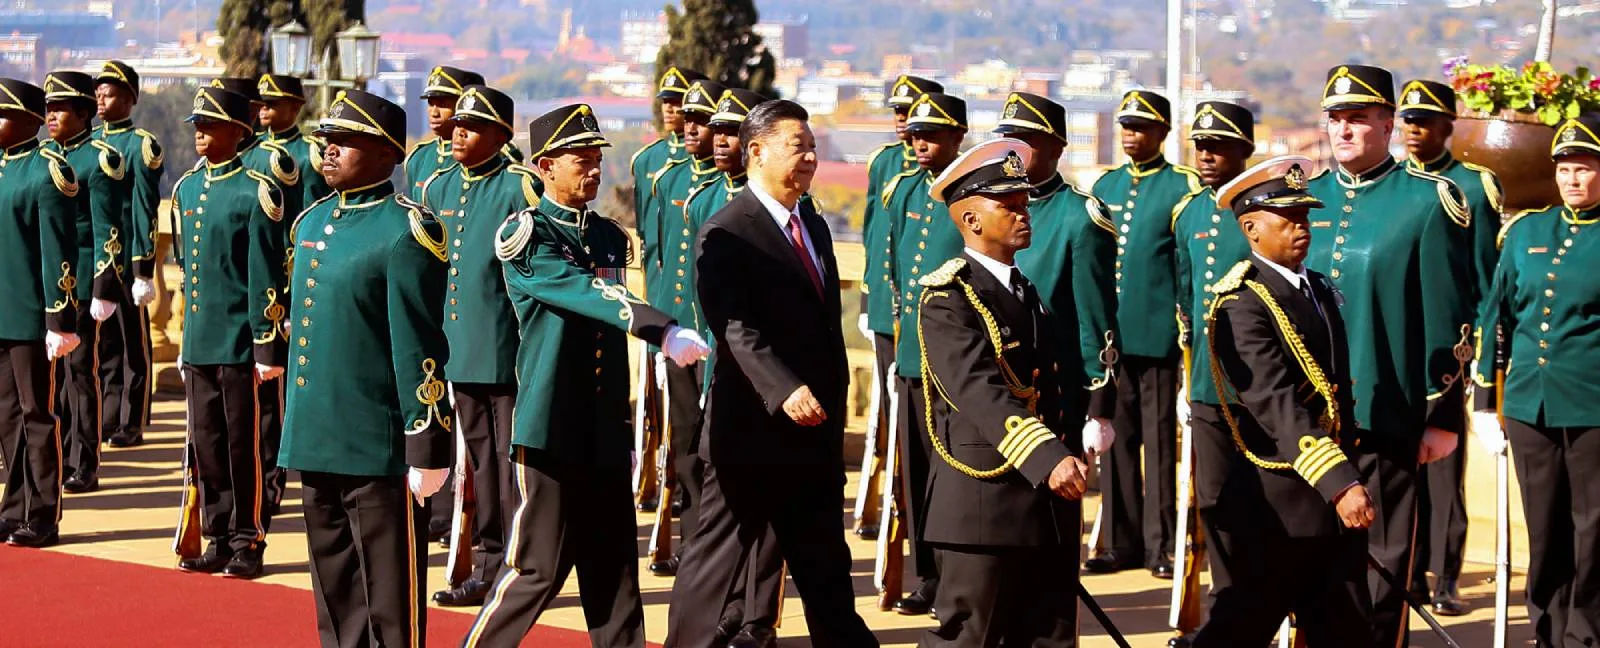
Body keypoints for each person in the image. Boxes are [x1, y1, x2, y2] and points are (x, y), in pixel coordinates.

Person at [461, 103, 710, 648]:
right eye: (580, 159)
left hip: (601, 427)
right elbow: (581, 291)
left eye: (597, 158)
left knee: (614, 570)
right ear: (545, 165)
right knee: (536, 569)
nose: (593, 169)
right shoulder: (527, 234)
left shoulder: (606, 235)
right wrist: (659, 327)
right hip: (551, 424)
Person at [665, 99, 878, 648]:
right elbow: (733, 327)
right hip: (749, 438)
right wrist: (784, 389)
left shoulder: (812, 222)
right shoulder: (727, 230)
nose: (808, 156)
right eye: (796, 145)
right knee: (713, 570)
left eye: (812, 146)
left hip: (810, 440)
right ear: (755, 152)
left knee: (827, 577)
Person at [275, 89, 454, 648]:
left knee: (390, 598)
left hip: (378, 445)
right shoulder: (309, 222)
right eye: (326, 140)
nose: (327, 150)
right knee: (333, 587)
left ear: (385, 153)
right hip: (317, 435)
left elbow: (419, 346)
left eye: (344, 141)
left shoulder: (406, 230)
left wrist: (426, 445)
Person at [1304, 64, 1475, 647]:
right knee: (1312, 568)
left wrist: (1442, 415)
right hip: (1307, 422)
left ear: (1387, 124)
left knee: (1381, 567)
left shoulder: (1428, 202)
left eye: (1358, 118)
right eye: (1335, 119)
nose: (1344, 130)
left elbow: (1449, 318)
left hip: (1387, 410)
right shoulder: (1305, 200)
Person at [914, 137, 1099, 647]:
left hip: (1044, 503)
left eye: (1025, 204)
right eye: (1009, 206)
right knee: (970, 638)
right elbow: (978, 389)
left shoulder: (1024, 289)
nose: (1023, 214)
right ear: (971, 221)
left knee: (1049, 637)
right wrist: (1047, 457)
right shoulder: (948, 298)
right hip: (984, 503)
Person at [1193, 155, 1376, 647]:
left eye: (1305, 217)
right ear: (1251, 227)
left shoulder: (1315, 286)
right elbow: (1274, 400)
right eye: (1288, 218)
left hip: (1328, 494)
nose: (1302, 227)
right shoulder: (1240, 302)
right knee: (1243, 625)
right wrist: (1339, 481)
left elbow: (1335, 386)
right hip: (1277, 499)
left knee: (1344, 627)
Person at [667, 87, 790, 648]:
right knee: (705, 480)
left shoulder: (785, 210)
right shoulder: (705, 199)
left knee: (766, 506)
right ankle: (728, 605)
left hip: (767, 376)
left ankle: (758, 618)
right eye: (711, 130)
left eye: (728, 131)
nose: (717, 140)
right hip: (709, 359)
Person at [1472, 112, 1600, 648]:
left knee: (1594, 531)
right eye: (1565, 168)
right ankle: (1546, 630)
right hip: (1529, 405)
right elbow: (1495, 314)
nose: (1571, 178)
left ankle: (1587, 633)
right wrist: (1484, 399)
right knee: (1544, 530)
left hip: (1593, 406)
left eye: (1584, 168)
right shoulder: (1527, 230)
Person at [417, 84, 541, 608]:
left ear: (499, 135)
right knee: (477, 465)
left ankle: (517, 565)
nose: (458, 133)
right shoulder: (440, 187)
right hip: (456, 351)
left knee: (510, 465)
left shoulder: (519, 187)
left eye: (472, 126)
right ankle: (490, 562)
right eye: (458, 124)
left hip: (507, 351)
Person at [168, 86, 285, 579]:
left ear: (239, 132)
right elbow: (186, 271)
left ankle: (248, 538)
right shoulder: (186, 189)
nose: (199, 131)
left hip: (240, 342)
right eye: (197, 123)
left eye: (210, 124)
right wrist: (185, 340)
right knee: (207, 443)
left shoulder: (256, 191)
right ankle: (216, 534)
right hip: (200, 341)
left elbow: (266, 276)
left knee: (244, 447)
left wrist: (266, 343)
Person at [1397, 77, 1504, 617]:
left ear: (1447, 126)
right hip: (1398, 346)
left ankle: (1445, 575)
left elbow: (1486, 277)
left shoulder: (1472, 185)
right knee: (1401, 469)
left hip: (1450, 351)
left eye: (1425, 120)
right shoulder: (1392, 186)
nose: (1414, 128)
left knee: (1443, 470)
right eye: (1407, 119)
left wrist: (1481, 356)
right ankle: (1409, 573)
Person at [1087, 89, 1201, 579]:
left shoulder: (1182, 186)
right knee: (1115, 440)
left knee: (1158, 446)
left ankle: (1161, 544)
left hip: (1157, 336)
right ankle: (1120, 541)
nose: (1131, 135)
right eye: (1126, 126)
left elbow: (1186, 263)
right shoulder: (1106, 184)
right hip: (1114, 338)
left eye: (1141, 127)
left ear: (1162, 133)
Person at [881, 90, 970, 615]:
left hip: (956, 360)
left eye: (931, 134)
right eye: (913, 134)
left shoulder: (972, 192)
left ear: (958, 136)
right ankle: (928, 575)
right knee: (915, 473)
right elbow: (898, 273)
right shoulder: (903, 190)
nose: (918, 143)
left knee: (954, 472)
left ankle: (958, 576)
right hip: (913, 355)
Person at [997, 91, 1118, 460]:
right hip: (997, 386)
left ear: (1056, 148)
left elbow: (1094, 317)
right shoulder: (992, 207)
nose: (1012, 151)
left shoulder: (1079, 216)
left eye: (1025, 142)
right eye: (1008, 141)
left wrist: (1099, 406)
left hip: (1054, 389)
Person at [1171, 100, 1260, 602]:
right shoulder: (1188, 213)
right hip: (1208, 381)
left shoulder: (1263, 205)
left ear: (1244, 150)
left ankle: (1257, 602)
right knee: (1214, 499)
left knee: (1263, 501)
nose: (1205, 155)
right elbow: (1187, 297)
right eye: (1200, 146)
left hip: (1259, 385)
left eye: (1218, 146)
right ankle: (1226, 602)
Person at [856, 74, 943, 540]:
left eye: (911, 114)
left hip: (932, 324)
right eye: (898, 113)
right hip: (893, 311)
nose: (903, 123)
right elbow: (876, 237)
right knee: (893, 418)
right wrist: (872, 300)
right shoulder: (886, 164)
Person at [646, 78, 725, 576]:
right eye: (687, 118)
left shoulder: (728, 194)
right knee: (682, 437)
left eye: (704, 120)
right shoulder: (665, 177)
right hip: (679, 330)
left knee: (718, 446)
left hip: (722, 339)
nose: (691, 127)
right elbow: (655, 251)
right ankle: (694, 540)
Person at [0, 77, 82, 547]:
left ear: (30, 120)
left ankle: (44, 512)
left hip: (31, 317)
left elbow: (58, 252)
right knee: (6, 418)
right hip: (2, 313)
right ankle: (13, 508)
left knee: (36, 414)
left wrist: (59, 319)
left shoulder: (46, 171)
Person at [44, 70, 122, 495]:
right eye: (48, 109)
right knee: (45, 379)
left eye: (60, 109)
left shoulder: (98, 158)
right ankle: (54, 456)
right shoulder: (43, 157)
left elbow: (106, 228)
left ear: (83, 113)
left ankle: (84, 461)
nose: (51, 116)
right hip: (45, 283)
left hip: (80, 281)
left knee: (79, 372)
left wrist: (103, 287)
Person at [92, 60, 161, 450]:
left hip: (126, 259)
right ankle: (105, 416)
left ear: (130, 99)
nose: (102, 98)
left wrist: (143, 268)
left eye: (111, 92)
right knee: (102, 347)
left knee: (132, 344)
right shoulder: (91, 144)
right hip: (97, 261)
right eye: (99, 92)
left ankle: (131, 421)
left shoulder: (140, 146)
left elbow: (143, 208)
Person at [257, 73, 334, 217]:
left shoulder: (308, 154)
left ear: (295, 107)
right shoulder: (253, 147)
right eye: (261, 103)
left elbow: (312, 213)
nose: (263, 109)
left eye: (271, 104)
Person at [406, 65, 485, 199]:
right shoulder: (418, 158)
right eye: (431, 104)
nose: (434, 112)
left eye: (442, 105)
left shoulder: (482, 155)